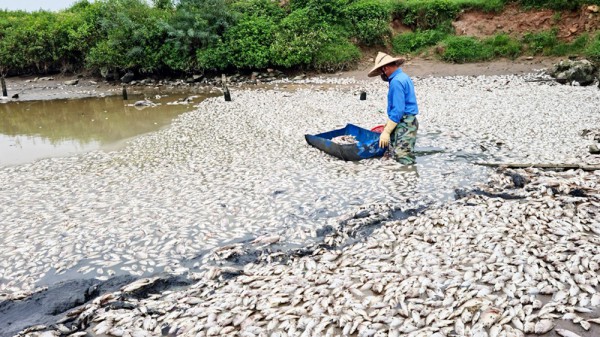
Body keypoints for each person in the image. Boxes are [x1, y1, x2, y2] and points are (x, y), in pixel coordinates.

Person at [368, 52, 419, 165]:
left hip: (405, 123)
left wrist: (386, 131)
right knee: (397, 152)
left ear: (385, 68)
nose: (382, 75)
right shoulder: (403, 76)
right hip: (408, 121)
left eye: (381, 72)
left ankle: (408, 179)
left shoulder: (396, 82)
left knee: (403, 157)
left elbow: (398, 110)